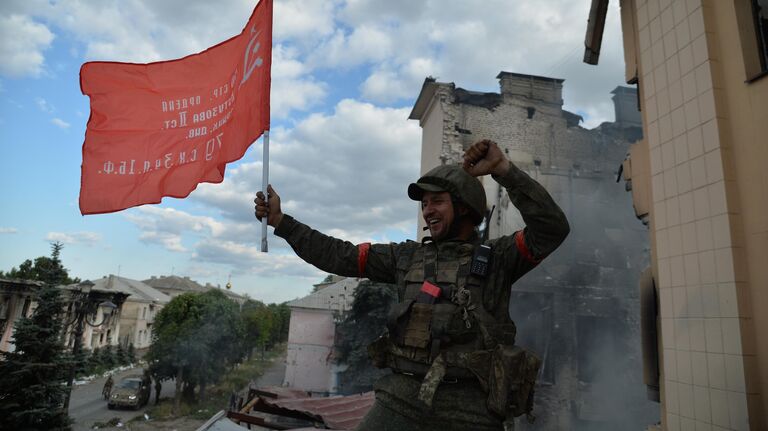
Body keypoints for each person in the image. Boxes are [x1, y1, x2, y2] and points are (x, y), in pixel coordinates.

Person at [254, 139, 569, 431]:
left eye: (437, 201)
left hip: (472, 404)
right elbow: (340, 256)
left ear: (464, 208)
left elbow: (552, 228)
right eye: (424, 204)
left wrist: (503, 171)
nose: (428, 210)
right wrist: (283, 222)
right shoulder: (404, 257)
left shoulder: (500, 258)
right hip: (403, 396)